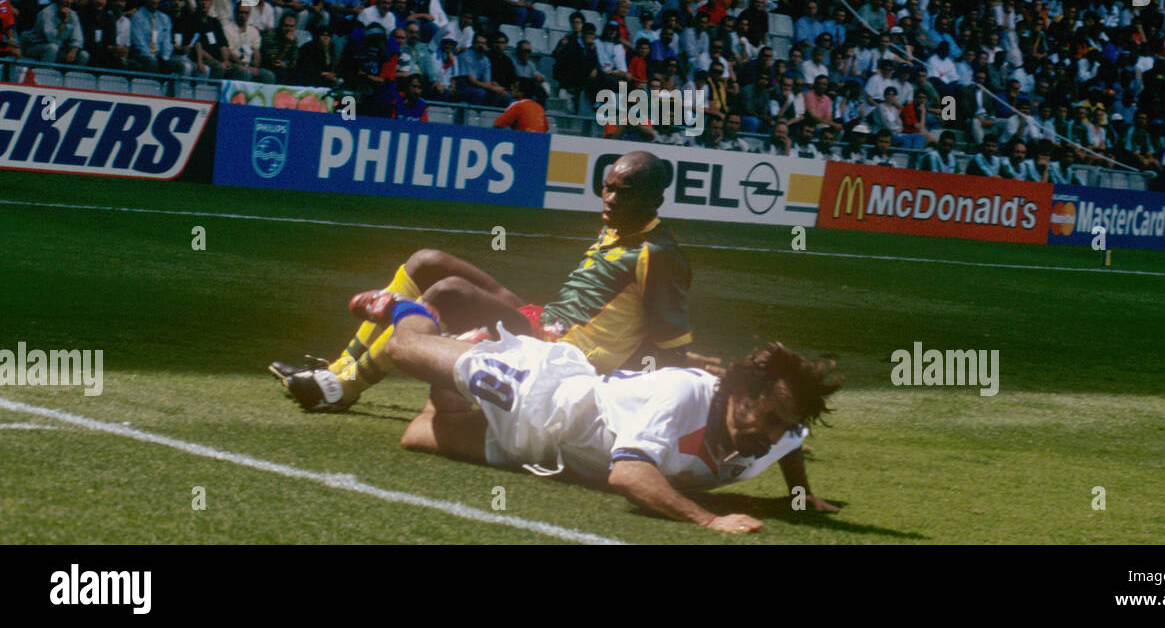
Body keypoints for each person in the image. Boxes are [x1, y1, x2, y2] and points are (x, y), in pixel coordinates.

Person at [271, 152, 718, 411]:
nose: (610, 198)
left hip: (563, 356)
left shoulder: (659, 256)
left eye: (623, 191)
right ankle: (333, 369)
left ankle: (343, 389)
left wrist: (692, 377)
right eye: (608, 186)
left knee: (448, 294)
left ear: (655, 199)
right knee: (428, 261)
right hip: (545, 323)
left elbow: (667, 343)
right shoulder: (619, 226)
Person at [387, 309, 842, 532]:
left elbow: (793, 443)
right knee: (401, 349)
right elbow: (627, 474)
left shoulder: (779, 429)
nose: (774, 435)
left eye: (786, 424)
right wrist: (707, 520)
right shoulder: (685, 395)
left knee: (417, 435)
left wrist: (802, 493)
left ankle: (453, 377)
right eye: (770, 419)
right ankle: (409, 309)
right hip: (539, 396)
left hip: (542, 452)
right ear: (741, 393)